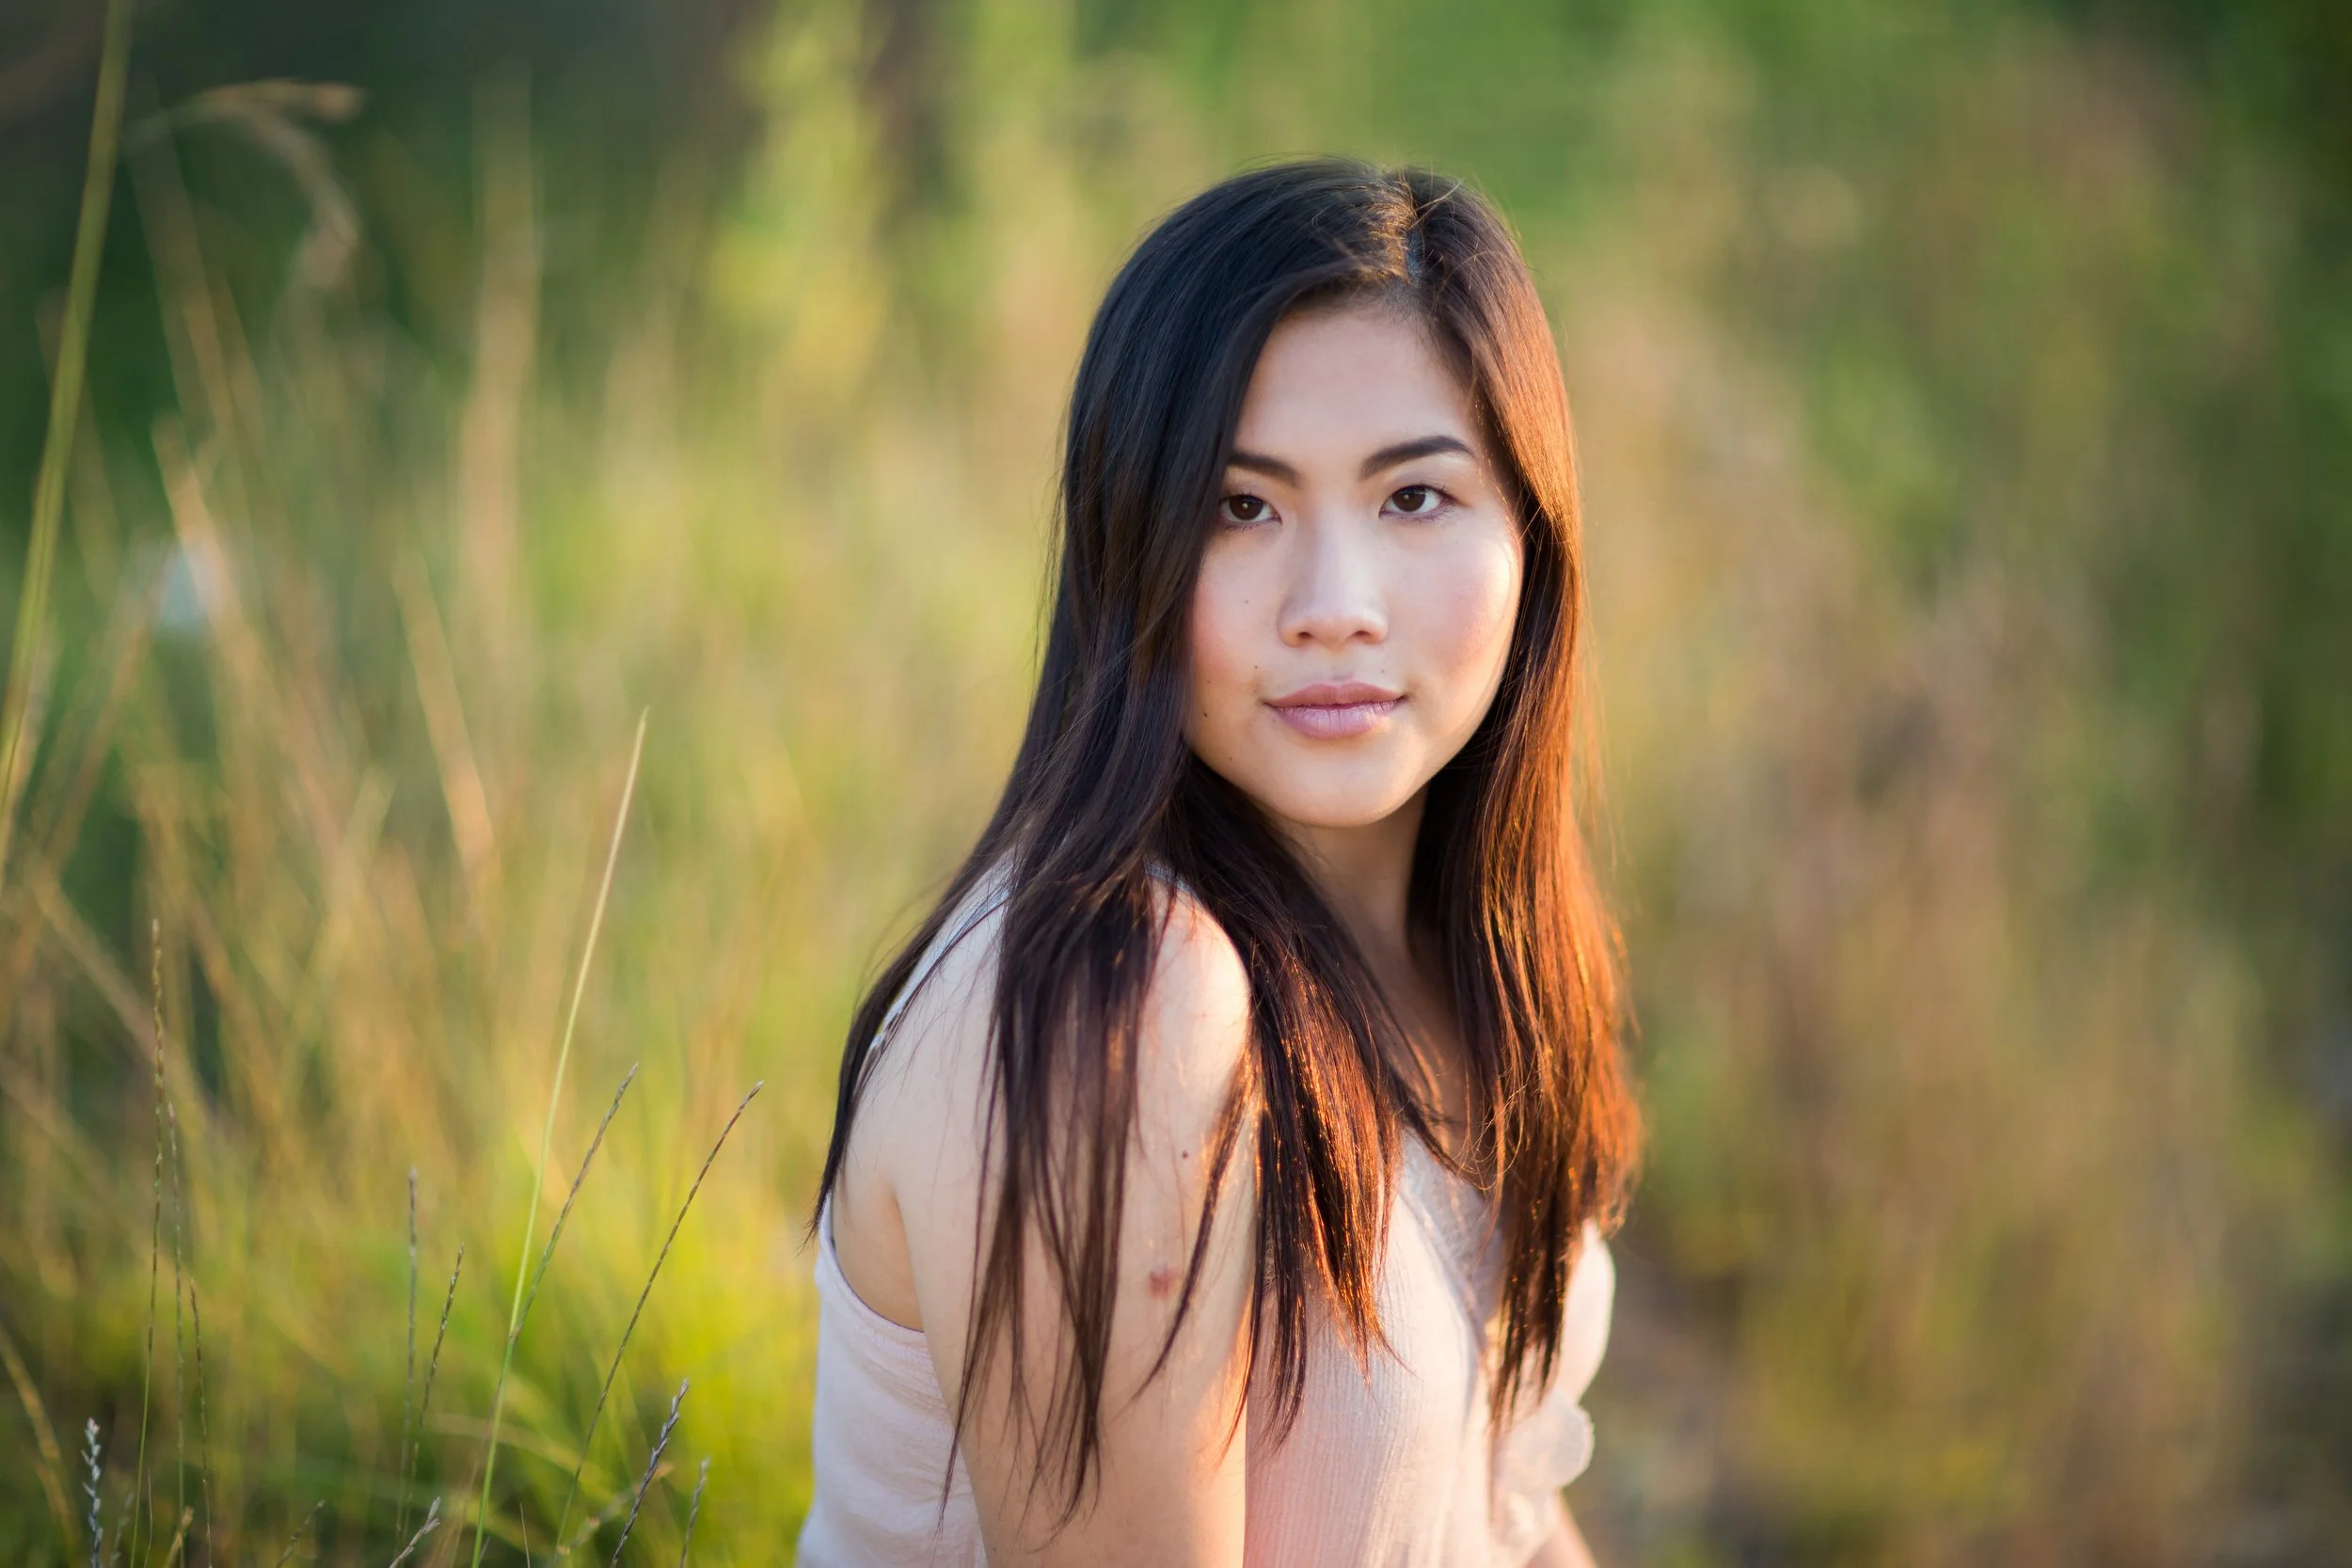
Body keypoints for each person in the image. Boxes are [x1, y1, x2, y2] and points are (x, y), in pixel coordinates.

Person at [799, 160, 1640, 1568]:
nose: (1335, 609)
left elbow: (1503, 1514)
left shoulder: (1476, 949)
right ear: (1129, 549)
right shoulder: (1118, 1006)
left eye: (1415, 499)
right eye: (1240, 508)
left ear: (1530, 537)